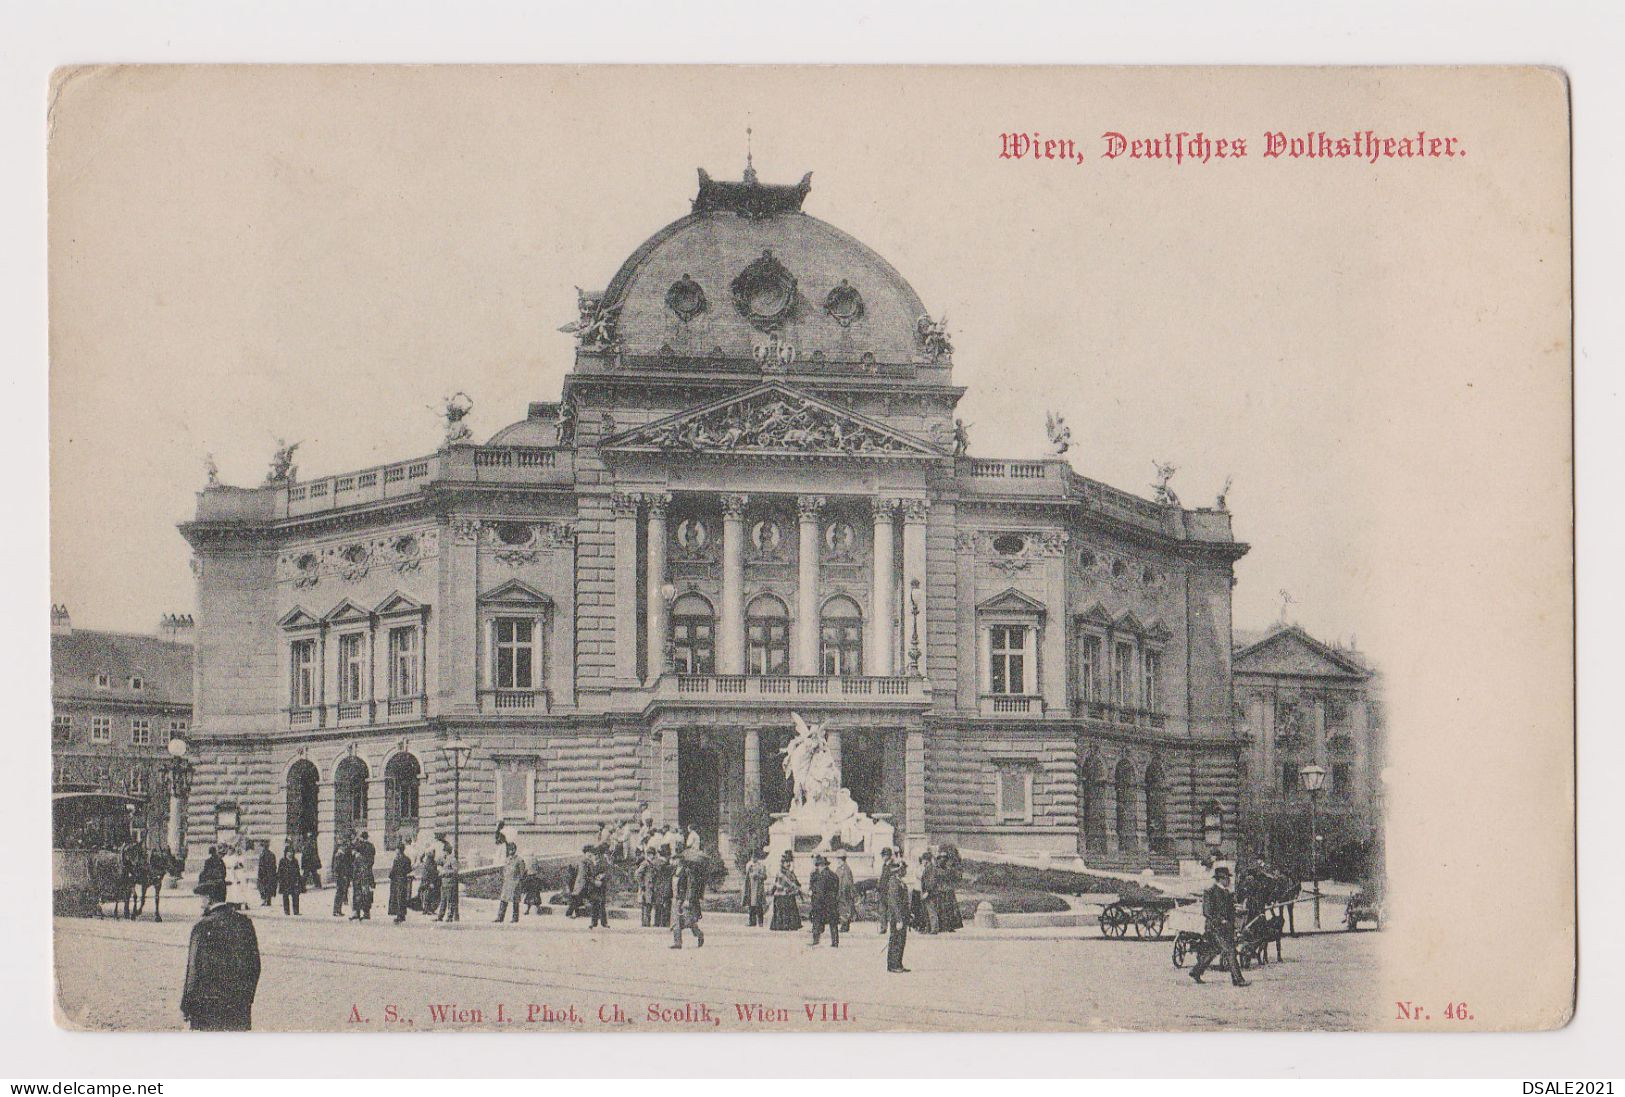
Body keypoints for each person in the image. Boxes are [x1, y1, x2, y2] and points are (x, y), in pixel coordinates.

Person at [181, 879, 261, 1031]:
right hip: (238, 1006)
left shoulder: (202, 926)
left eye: (202, 898)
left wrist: (187, 1005)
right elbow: (255, 965)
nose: (201, 903)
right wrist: (246, 997)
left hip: (208, 1007)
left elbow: (194, 969)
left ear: (209, 898)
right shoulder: (244, 923)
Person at [1189, 865, 1249, 986]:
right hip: (1215, 928)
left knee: (1212, 951)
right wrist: (1220, 920)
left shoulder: (1226, 893)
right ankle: (1238, 979)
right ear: (1220, 879)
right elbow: (1207, 912)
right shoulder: (1210, 892)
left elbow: (1230, 910)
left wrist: (1237, 914)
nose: (1229, 881)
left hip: (1226, 928)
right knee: (1230, 951)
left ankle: (1196, 971)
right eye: (1227, 878)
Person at [881, 848, 910, 973]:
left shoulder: (900, 882)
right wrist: (898, 919)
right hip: (896, 917)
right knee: (895, 940)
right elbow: (893, 902)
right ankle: (893, 965)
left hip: (902, 916)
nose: (905, 871)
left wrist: (909, 914)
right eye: (903, 869)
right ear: (898, 870)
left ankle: (898, 963)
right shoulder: (893, 882)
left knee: (901, 940)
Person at [668, 853, 705, 949]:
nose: (672, 861)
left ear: (680, 860)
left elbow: (690, 886)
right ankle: (677, 942)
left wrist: (687, 899)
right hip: (675, 899)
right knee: (675, 921)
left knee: (688, 921)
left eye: (674, 859)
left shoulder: (687, 871)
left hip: (683, 899)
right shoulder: (674, 871)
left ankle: (699, 934)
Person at [807, 855, 840, 948]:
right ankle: (835, 942)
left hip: (821, 903)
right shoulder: (833, 875)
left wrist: (814, 899)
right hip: (832, 902)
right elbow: (837, 888)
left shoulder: (822, 876)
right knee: (833, 922)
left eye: (818, 865)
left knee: (817, 920)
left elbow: (820, 891)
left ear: (822, 865)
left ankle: (815, 940)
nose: (818, 868)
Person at [769, 851, 803, 931]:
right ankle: (782, 925)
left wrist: (797, 887)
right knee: (782, 911)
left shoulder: (791, 873)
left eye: (789, 862)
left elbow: (797, 883)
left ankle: (791, 925)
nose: (788, 864)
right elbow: (776, 884)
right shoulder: (780, 873)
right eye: (786, 862)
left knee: (791, 909)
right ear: (782, 863)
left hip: (790, 895)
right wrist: (784, 889)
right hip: (781, 896)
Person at [935, 851, 963, 932]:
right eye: (941, 858)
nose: (943, 860)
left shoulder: (949, 869)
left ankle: (951, 926)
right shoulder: (936, 869)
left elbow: (956, 878)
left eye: (945, 858)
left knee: (950, 909)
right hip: (940, 890)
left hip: (948, 890)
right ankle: (942, 926)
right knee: (941, 909)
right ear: (939, 859)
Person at [495, 842, 523, 923]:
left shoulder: (519, 860)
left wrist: (518, 882)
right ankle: (500, 917)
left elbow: (522, 873)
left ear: (515, 850)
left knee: (515, 901)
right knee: (503, 900)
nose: (510, 851)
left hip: (515, 883)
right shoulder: (507, 860)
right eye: (509, 849)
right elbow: (504, 870)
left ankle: (515, 918)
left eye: (512, 849)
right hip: (507, 883)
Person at [586, 844, 611, 929]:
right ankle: (593, 922)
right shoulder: (589, 863)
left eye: (597, 854)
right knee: (594, 905)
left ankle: (604, 923)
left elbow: (607, 873)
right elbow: (587, 876)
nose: (595, 856)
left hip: (601, 886)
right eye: (594, 854)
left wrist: (602, 877)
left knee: (602, 904)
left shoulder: (603, 862)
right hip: (593, 886)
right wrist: (594, 881)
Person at [742, 849, 768, 928]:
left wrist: (759, 876)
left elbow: (765, 876)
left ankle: (760, 922)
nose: (754, 858)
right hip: (750, 887)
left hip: (758, 888)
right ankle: (752, 921)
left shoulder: (761, 865)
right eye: (752, 857)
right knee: (751, 905)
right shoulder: (748, 865)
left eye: (755, 857)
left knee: (758, 905)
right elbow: (747, 876)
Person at [388, 845, 413, 924]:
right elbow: (409, 870)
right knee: (402, 897)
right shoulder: (407, 859)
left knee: (397, 898)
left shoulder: (397, 859)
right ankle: (402, 915)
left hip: (397, 880)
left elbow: (393, 870)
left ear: (399, 850)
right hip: (404, 879)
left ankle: (399, 915)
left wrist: (390, 876)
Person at [634, 847, 659, 926]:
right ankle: (645, 923)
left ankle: (646, 922)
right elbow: (637, 874)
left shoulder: (651, 863)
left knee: (649, 904)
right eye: (650, 854)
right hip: (646, 887)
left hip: (650, 887)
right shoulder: (645, 863)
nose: (652, 856)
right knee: (646, 905)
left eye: (652, 854)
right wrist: (642, 884)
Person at [330, 838, 354, 917]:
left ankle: (338, 910)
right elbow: (337, 867)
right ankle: (336, 911)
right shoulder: (339, 855)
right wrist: (341, 875)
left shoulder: (342, 854)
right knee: (339, 893)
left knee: (341, 892)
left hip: (343, 876)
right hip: (340, 876)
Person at [569, 843, 594, 920]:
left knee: (578, 898)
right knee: (577, 898)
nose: (590, 854)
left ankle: (575, 913)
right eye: (589, 852)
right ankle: (571, 913)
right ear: (586, 853)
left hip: (581, 882)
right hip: (582, 883)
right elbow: (586, 873)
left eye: (591, 852)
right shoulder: (585, 861)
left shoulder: (583, 861)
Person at [276, 843, 303, 915]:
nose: (290, 854)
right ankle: (286, 911)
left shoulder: (295, 861)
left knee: (295, 896)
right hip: (285, 882)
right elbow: (279, 872)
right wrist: (280, 881)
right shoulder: (282, 861)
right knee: (285, 897)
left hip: (293, 881)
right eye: (289, 852)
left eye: (292, 852)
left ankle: (296, 911)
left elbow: (297, 871)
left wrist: (299, 880)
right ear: (286, 853)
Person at [652, 850, 675, 928]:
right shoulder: (668, 866)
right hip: (666, 888)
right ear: (667, 856)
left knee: (658, 905)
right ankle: (665, 923)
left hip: (657, 887)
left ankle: (657, 922)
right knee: (666, 906)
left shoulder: (654, 863)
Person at [834, 852, 857, 933]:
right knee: (841, 909)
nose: (838, 860)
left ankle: (845, 925)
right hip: (839, 891)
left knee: (845, 909)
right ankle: (844, 925)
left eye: (839, 859)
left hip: (844, 892)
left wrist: (843, 891)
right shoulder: (839, 868)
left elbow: (847, 882)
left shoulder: (846, 869)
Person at [918, 851, 940, 934]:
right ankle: (928, 928)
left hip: (930, 893)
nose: (922, 862)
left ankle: (934, 929)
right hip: (926, 893)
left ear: (926, 860)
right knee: (926, 911)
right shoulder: (927, 868)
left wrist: (927, 892)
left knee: (931, 911)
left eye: (923, 860)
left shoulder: (932, 869)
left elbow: (932, 882)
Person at [436, 849, 459, 922]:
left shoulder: (453, 860)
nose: (442, 853)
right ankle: (440, 916)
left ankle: (449, 917)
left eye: (443, 851)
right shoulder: (444, 860)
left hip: (450, 883)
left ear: (447, 851)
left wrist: (445, 873)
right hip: (444, 882)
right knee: (443, 900)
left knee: (450, 900)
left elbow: (455, 871)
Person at [255, 841, 277, 907]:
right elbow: (274, 865)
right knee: (268, 887)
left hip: (264, 874)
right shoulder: (272, 854)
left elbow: (261, 866)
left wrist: (260, 874)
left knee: (262, 887)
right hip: (270, 874)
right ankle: (268, 900)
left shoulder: (263, 854)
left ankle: (265, 900)